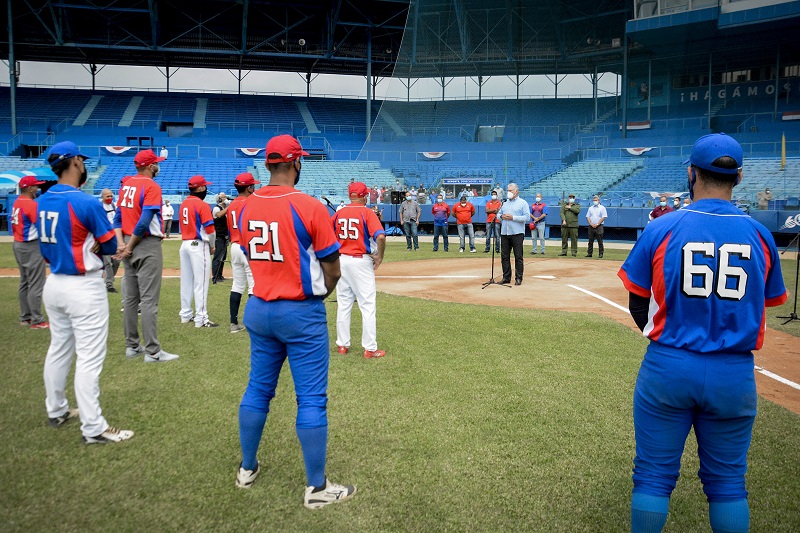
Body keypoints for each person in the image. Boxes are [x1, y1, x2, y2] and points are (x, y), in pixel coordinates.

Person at [619, 133, 788, 533]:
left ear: (692, 174)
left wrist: (665, 338)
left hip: (669, 365)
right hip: (734, 373)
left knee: (653, 478)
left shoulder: (663, 227)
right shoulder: (761, 235)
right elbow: (764, 303)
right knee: (729, 485)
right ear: (740, 177)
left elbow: (637, 301)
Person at [234, 134, 355, 509]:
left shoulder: (243, 205)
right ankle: (316, 489)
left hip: (259, 306)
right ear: (295, 163)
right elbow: (332, 268)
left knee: (258, 390)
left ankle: (247, 468)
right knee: (312, 399)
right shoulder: (310, 206)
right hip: (300, 311)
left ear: (269, 164)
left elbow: (246, 254)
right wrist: (321, 294)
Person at [39, 141, 134, 444]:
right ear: (76, 162)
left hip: (53, 281)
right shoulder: (85, 201)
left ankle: (56, 409)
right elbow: (108, 244)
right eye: (82, 160)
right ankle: (93, 428)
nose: (85, 165)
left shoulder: (42, 199)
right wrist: (103, 244)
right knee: (89, 359)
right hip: (83, 285)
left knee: (59, 349)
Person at [114, 149, 179, 363]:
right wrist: (130, 245)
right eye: (156, 164)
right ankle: (153, 351)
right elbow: (144, 221)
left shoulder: (126, 186)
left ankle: (132, 346)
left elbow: (117, 219)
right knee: (149, 300)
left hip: (127, 244)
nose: (158, 167)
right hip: (145, 244)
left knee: (131, 299)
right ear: (150, 166)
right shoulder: (151, 185)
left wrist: (122, 244)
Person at [331, 181, 387, 358]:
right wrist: (379, 256)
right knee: (367, 305)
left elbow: (326, 236)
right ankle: (370, 348)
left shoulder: (339, 213)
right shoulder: (367, 212)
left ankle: (342, 345)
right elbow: (381, 236)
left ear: (350, 195)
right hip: (360, 261)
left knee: (344, 304)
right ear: (364, 196)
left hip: (341, 260)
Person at [179, 176, 218, 328]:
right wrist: (213, 245)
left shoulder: (183, 203)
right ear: (200, 188)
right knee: (200, 283)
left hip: (185, 244)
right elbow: (210, 230)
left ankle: (185, 314)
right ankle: (201, 319)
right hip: (198, 244)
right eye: (205, 186)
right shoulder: (201, 204)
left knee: (186, 282)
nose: (206, 189)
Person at [11, 175, 49, 329]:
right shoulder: (30, 204)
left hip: (18, 244)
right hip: (30, 245)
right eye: (36, 186)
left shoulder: (17, 202)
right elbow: (42, 228)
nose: (37, 188)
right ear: (29, 188)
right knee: (36, 283)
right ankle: (37, 320)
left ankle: (25, 317)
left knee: (25, 282)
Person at [226, 172, 259, 334]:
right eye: (253, 185)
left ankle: (233, 323)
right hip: (247, 246)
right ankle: (253, 323)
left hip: (234, 246)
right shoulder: (251, 202)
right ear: (249, 187)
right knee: (253, 286)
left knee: (237, 285)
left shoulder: (231, 204)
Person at [496, 183, 530, 285]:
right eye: (508, 190)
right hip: (505, 232)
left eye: (510, 191)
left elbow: (527, 217)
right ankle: (506, 277)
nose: (508, 192)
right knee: (504, 256)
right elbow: (497, 215)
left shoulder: (522, 203)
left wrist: (513, 217)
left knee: (518, 256)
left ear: (516, 191)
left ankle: (518, 278)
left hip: (517, 233)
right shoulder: (504, 203)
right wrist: (501, 216)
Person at [99, 189, 121, 293]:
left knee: (116, 261)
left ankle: (108, 279)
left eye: (111, 196)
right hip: (105, 237)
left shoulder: (114, 206)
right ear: (102, 197)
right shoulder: (99, 207)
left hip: (115, 237)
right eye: (107, 196)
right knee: (107, 262)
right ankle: (109, 284)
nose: (109, 198)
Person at [211, 193, 230, 283]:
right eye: (223, 197)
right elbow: (218, 215)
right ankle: (215, 276)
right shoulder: (216, 208)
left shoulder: (224, 209)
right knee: (218, 256)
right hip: (218, 235)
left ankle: (220, 275)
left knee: (223, 256)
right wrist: (229, 207)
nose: (225, 199)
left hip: (224, 235)